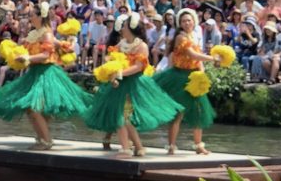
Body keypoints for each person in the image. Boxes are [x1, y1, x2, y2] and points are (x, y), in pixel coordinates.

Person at [0, 1, 91, 149]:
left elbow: (45, 55)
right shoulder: (33, 34)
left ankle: (46, 140)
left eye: (31, 15)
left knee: (34, 107)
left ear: (39, 16)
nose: (29, 18)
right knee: (32, 109)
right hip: (34, 73)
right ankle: (41, 138)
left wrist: (28, 58)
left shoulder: (47, 34)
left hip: (46, 73)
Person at [83, 12, 180, 157]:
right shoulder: (120, 44)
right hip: (119, 84)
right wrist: (111, 74)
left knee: (122, 116)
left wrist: (120, 72)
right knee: (123, 116)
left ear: (132, 28)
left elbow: (139, 66)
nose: (122, 29)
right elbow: (112, 61)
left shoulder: (142, 46)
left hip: (134, 84)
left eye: (125, 26)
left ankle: (127, 149)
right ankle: (138, 147)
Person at [154, 9, 216, 154]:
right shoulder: (181, 37)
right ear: (180, 24)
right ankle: (171, 146)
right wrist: (213, 58)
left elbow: (197, 58)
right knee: (178, 113)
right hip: (180, 77)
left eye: (189, 20)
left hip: (193, 77)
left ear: (194, 21)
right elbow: (192, 54)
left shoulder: (193, 37)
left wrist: (202, 73)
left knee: (199, 111)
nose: (187, 23)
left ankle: (199, 145)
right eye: (183, 21)